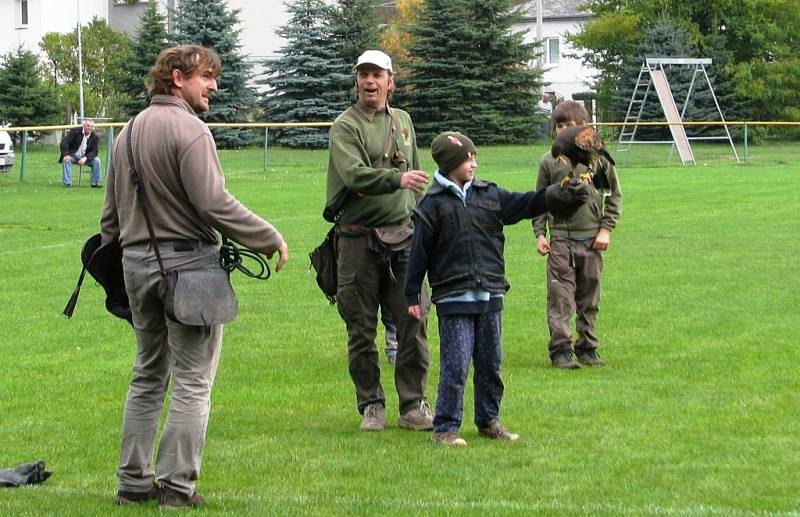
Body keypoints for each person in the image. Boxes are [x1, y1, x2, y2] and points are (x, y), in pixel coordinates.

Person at [100, 45, 289, 508]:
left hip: (135, 266)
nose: (214, 87)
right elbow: (214, 204)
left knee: (147, 376)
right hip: (187, 269)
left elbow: (109, 219)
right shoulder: (190, 129)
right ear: (178, 77)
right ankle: (177, 488)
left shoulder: (125, 134)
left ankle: (132, 482)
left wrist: (121, 275)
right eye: (207, 77)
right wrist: (268, 237)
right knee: (192, 381)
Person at [405, 131, 591, 446]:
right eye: (467, 159)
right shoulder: (432, 205)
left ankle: (488, 421)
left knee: (491, 364)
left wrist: (556, 194)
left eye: (474, 157)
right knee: (456, 365)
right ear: (451, 164)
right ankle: (446, 428)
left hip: (490, 294)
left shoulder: (488, 194)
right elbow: (418, 254)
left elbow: (526, 202)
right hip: (454, 298)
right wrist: (412, 294)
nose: (474, 163)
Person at [326, 50, 433, 432]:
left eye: (377, 74)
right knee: (360, 327)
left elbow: (417, 173)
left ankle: (413, 405)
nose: (370, 81)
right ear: (356, 81)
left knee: (413, 319)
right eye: (363, 75)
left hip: (404, 237)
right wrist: (396, 180)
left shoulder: (403, 121)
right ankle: (371, 404)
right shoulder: (345, 125)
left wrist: (427, 224)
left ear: (391, 80)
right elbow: (354, 176)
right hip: (357, 240)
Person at [533, 101, 623, 369]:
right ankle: (561, 350)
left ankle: (588, 347)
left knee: (589, 298)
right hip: (560, 238)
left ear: (582, 128)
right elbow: (538, 200)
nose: (563, 130)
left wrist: (606, 229)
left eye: (569, 126)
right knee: (560, 297)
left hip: (593, 238)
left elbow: (615, 196)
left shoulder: (597, 155)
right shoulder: (550, 160)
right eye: (559, 126)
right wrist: (540, 233)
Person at [59, 119, 101, 187]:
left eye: (91, 126)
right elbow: (64, 142)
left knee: (97, 161)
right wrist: (66, 154)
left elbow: (94, 151)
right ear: (83, 125)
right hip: (73, 156)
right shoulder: (75, 131)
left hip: (85, 158)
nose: (90, 128)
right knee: (66, 160)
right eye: (88, 126)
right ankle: (67, 183)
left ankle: (95, 183)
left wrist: (85, 158)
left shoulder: (95, 137)